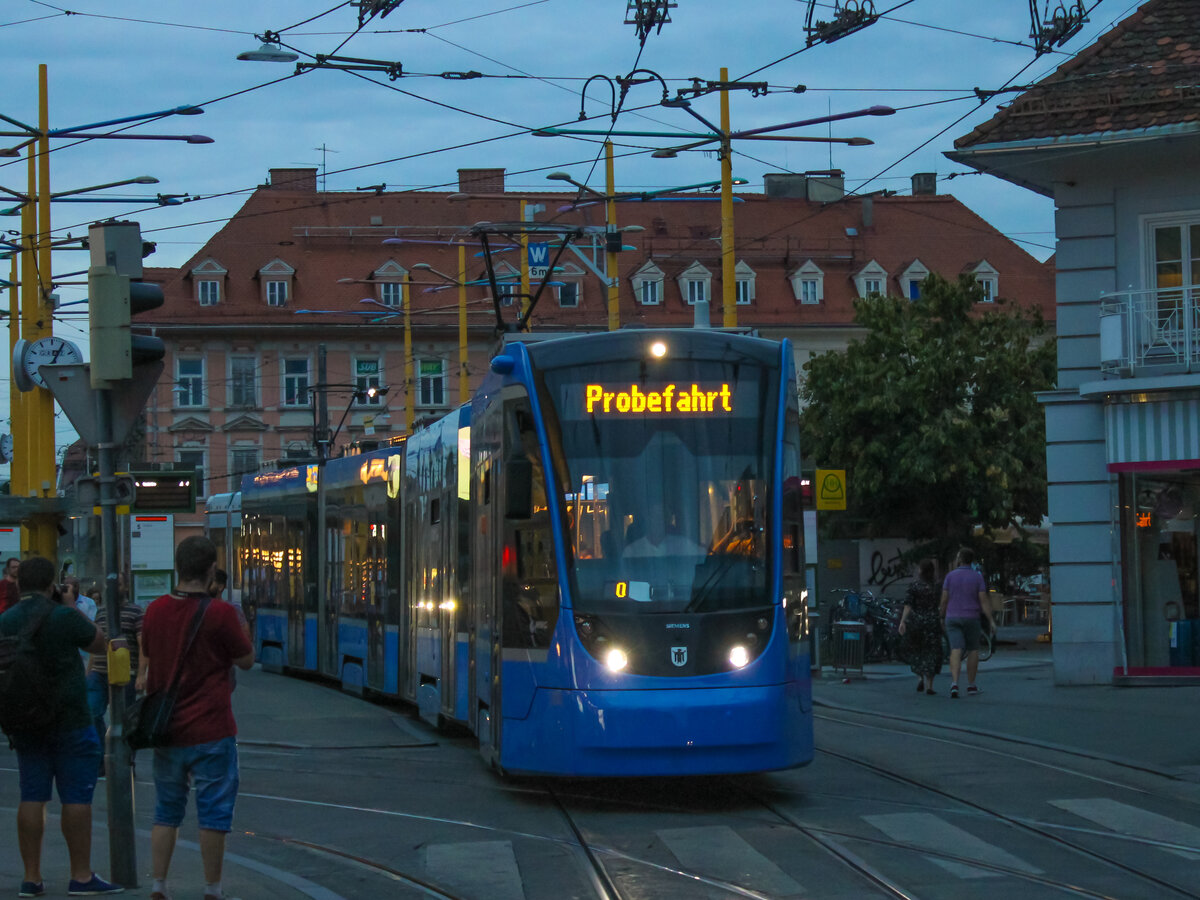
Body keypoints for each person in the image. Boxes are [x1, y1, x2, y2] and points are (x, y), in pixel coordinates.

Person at [138, 537, 254, 900]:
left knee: (166, 811)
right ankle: (212, 890)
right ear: (209, 572)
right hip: (212, 727)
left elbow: (149, 656)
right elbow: (246, 660)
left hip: (167, 729)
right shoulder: (219, 614)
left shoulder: (154, 610)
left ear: (177, 568)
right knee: (214, 813)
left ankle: (158, 885)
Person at [0, 556, 123, 897]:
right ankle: (81, 876)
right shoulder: (65, 616)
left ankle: (31, 877)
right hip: (70, 719)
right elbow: (98, 643)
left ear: (18, 584)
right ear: (52, 584)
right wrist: (70, 605)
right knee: (76, 798)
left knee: (32, 796)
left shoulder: (5, 621)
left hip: (25, 720)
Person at [86, 587, 144, 752]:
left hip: (126, 672)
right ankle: (104, 754)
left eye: (119, 583)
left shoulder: (136, 611)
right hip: (99, 671)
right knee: (91, 712)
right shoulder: (101, 612)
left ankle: (125, 760)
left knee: (125, 719)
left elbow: (143, 645)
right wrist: (89, 672)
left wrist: (141, 674)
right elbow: (97, 642)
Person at [939, 547, 995, 698]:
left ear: (959, 559)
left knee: (955, 649)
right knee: (973, 650)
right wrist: (991, 620)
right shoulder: (977, 577)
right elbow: (983, 600)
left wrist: (941, 616)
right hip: (972, 617)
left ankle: (955, 684)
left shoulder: (950, 576)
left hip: (953, 617)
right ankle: (971, 685)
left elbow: (944, 600)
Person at [898, 558, 943, 695]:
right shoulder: (936, 586)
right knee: (932, 652)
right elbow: (941, 604)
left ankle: (919, 678)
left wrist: (902, 621)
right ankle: (930, 685)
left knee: (917, 650)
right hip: (932, 622)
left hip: (917, 622)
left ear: (921, 571)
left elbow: (908, 605)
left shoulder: (914, 586)